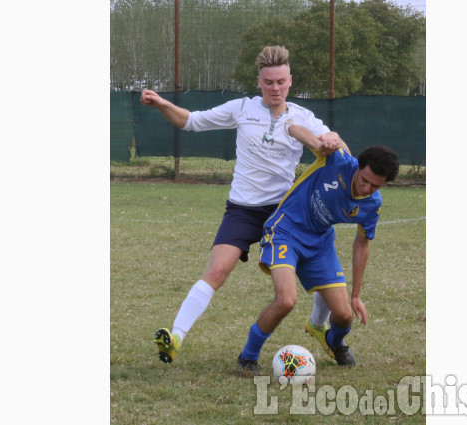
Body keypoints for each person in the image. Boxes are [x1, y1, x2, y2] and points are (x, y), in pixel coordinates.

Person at [140, 45, 347, 364]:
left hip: (284, 214)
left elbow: (333, 141)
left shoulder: (303, 118)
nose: (275, 88)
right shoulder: (242, 108)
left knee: (316, 272)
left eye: (280, 81)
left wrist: (334, 141)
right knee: (218, 270)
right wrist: (162, 103)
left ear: (290, 80)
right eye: (268, 82)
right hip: (242, 210)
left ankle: (318, 325)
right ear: (259, 82)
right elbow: (192, 121)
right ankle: (176, 337)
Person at [237, 124, 400, 373]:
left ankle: (333, 342)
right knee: (286, 300)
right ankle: (247, 357)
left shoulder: (371, 204)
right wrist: (321, 142)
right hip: (285, 232)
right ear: (358, 167)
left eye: (375, 186)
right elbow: (294, 129)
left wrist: (356, 294)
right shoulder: (337, 161)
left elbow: (361, 244)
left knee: (344, 316)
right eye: (365, 180)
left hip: (320, 245)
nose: (367, 188)